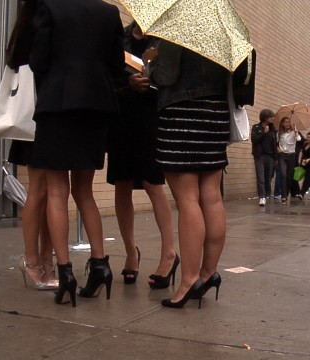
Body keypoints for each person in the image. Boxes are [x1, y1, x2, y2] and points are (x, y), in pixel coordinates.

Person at [29, 0, 125, 306]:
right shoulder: (110, 13)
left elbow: (37, 61)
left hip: (57, 103)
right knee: (85, 192)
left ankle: (65, 272)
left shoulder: (51, 8)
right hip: (95, 105)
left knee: (57, 192)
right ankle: (100, 264)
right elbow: (116, 66)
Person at [147, 38, 231, 309]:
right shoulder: (222, 32)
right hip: (216, 114)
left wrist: (152, 61)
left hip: (183, 113)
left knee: (187, 200)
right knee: (212, 197)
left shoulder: (179, 30)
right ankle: (208, 273)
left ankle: (188, 281)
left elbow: (167, 75)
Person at [106, 21, 177, 288]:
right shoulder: (118, 36)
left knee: (153, 183)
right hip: (122, 116)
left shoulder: (163, 39)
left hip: (151, 116)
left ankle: (169, 254)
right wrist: (127, 81)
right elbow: (106, 73)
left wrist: (152, 79)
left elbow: (172, 76)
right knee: (122, 183)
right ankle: (130, 253)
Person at [6, 0, 57, 291]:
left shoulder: (24, 23)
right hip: (40, 115)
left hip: (35, 116)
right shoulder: (41, 21)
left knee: (46, 191)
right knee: (42, 190)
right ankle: (36, 261)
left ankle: (41, 260)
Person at [251, 109, 277, 206]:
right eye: (271, 117)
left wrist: (276, 157)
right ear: (265, 118)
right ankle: (261, 197)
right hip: (260, 156)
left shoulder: (273, 129)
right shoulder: (256, 127)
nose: (273, 119)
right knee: (260, 177)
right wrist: (263, 133)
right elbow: (254, 140)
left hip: (270, 157)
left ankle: (267, 195)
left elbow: (274, 144)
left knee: (268, 177)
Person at [276, 116, 301, 204]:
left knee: (289, 176)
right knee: (283, 174)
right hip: (282, 155)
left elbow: (299, 139)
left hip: (291, 155)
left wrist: (296, 132)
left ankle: (286, 194)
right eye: (285, 122)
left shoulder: (293, 132)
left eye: (288, 122)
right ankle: (283, 196)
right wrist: (278, 148)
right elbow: (276, 143)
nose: (287, 124)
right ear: (282, 123)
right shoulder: (279, 133)